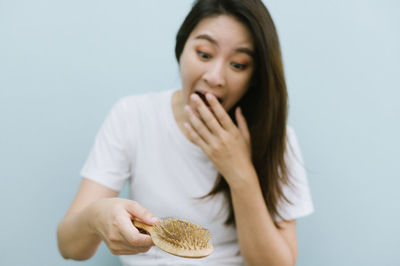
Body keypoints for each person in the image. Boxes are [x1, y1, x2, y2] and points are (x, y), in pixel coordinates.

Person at [57, 0, 314, 265]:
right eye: (204, 54)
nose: (214, 77)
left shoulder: (276, 139)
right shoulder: (133, 116)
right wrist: (96, 216)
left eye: (238, 64)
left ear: (255, 77)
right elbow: (69, 247)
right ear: (181, 49)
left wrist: (241, 174)